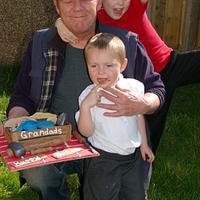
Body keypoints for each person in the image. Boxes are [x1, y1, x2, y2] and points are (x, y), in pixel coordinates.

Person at [0, 0, 165, 199]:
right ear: (56, 5)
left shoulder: (123, 42)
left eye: (86, 0)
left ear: (99, 3)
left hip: (114, 145)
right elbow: (22, 95)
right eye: (69, 1)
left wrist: (143, 103)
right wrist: (14, 122)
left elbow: (156, 88)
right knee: (38, 173)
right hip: (57, 139)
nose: (78, 7)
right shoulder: (41, 42)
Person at [56, 0, 200, 154]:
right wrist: (60, 23)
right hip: (144, 81)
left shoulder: (135, 6)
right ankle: (145, 159)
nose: (120, 3)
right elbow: (77, 18)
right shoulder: (97, 16)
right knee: (149, 126)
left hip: (169, 63)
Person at [75, 32, 154, 200]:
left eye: (109, 65)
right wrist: (86, 108)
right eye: (94, 66)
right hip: (103, 159)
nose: (101, 72)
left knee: (135, 195)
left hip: (132, 158)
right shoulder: (88, 96)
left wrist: (144, 145)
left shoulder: (134, 87)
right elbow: (86, 132)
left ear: (123, 64)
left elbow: (139, 116)